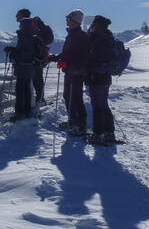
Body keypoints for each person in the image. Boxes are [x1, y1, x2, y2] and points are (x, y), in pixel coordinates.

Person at [49, 9, 89, 134]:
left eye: (69, 18)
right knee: (68, 96)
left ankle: (80, 124)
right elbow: (68, 53)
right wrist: (57, 58)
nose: (66, 20)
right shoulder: (73, 34)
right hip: (72, 70)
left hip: (76, 71)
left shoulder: (79, 36)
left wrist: (62, 59)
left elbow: (76, 55)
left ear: (74, 21)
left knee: (75, 97)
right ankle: (73, 121)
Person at [86, 15, 116, 143]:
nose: (92, 26)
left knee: (97, 105)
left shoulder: (98, 41)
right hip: (105, 77)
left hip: (96, 76)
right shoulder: (108, 38)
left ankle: (98, 134)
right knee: (103, 104)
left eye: (94, 25)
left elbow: (93, 59)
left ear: (98, 26)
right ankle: (109, 131)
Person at [4, 8, 35, 121]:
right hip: (28, 65)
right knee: (26, 88)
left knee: (20, 89)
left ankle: (20, 112)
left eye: (17, 15)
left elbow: (24, 50)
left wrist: (14, 52)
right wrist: (15, 50)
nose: (16, 17)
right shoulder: (29, 29)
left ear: (22, 17)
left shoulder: (25, 31)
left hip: (23, 64)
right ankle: (26, 111)